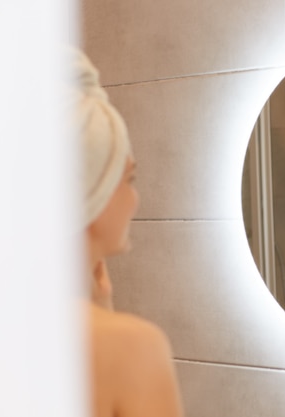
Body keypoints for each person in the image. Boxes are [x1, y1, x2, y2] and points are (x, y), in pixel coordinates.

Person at [73, 49, 184, 416]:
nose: (135, 199)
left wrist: (99, 309)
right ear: (92, 189)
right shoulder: (132, 347)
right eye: (128, 178)